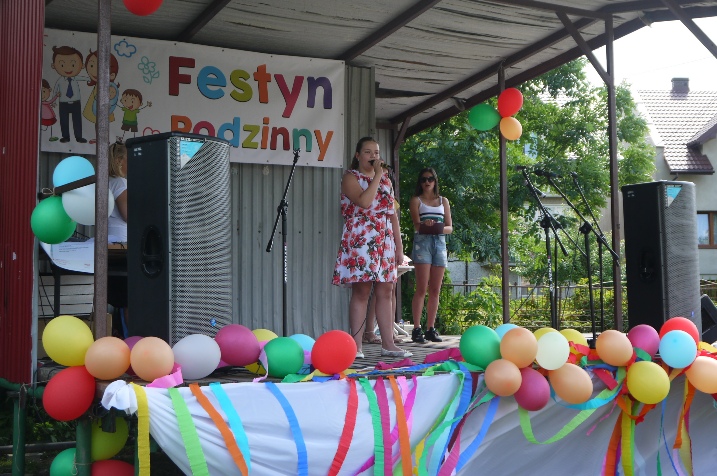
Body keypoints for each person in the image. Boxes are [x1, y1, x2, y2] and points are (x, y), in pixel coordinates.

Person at [333, 137, 412, 359]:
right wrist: (377, 175)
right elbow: (364, 202)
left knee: (386, 290)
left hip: (384, 240)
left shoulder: (386, 180)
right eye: (368, 152)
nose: (373, 156)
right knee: (362, 291)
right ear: (358, 155)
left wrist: (399, 247)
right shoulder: (351, 177)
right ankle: (356, 346)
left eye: (376, 152)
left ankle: (388, 344)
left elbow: (392, 214)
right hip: (361, 238)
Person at [409, 167, 453, 343]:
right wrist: (425, 224)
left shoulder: (443, 201)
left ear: (435, 181)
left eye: (430, 179)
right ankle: (416, 328)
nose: (427, 182)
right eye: (423, 179)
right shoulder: (416, 200)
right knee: (421, 288)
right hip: (423, 243)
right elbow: (416, 225)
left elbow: (450, 227)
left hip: (439, 242)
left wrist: (437, 227)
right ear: (420, 182)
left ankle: (431, 328)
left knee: (435, 289)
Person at [107, 141, 129, 337]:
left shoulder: (105, 182)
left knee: (114, 293)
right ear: (120, 161)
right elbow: (128, 215)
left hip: (107, 242)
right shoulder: (120, 183)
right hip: (122, 243)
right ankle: (128, 335)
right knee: (128, 297)